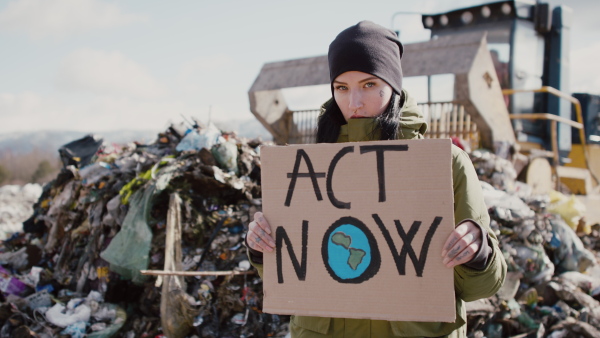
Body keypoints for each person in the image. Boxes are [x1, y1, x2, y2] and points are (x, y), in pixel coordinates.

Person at [245, 21, 507, 338]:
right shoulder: (307, 170)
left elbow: (482, 287)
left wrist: (478, 252)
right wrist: (262, 248)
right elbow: (295, 273)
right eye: (341, 87)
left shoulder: (445, 164)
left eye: (369, 85)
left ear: (393, 85)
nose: (354, 102)